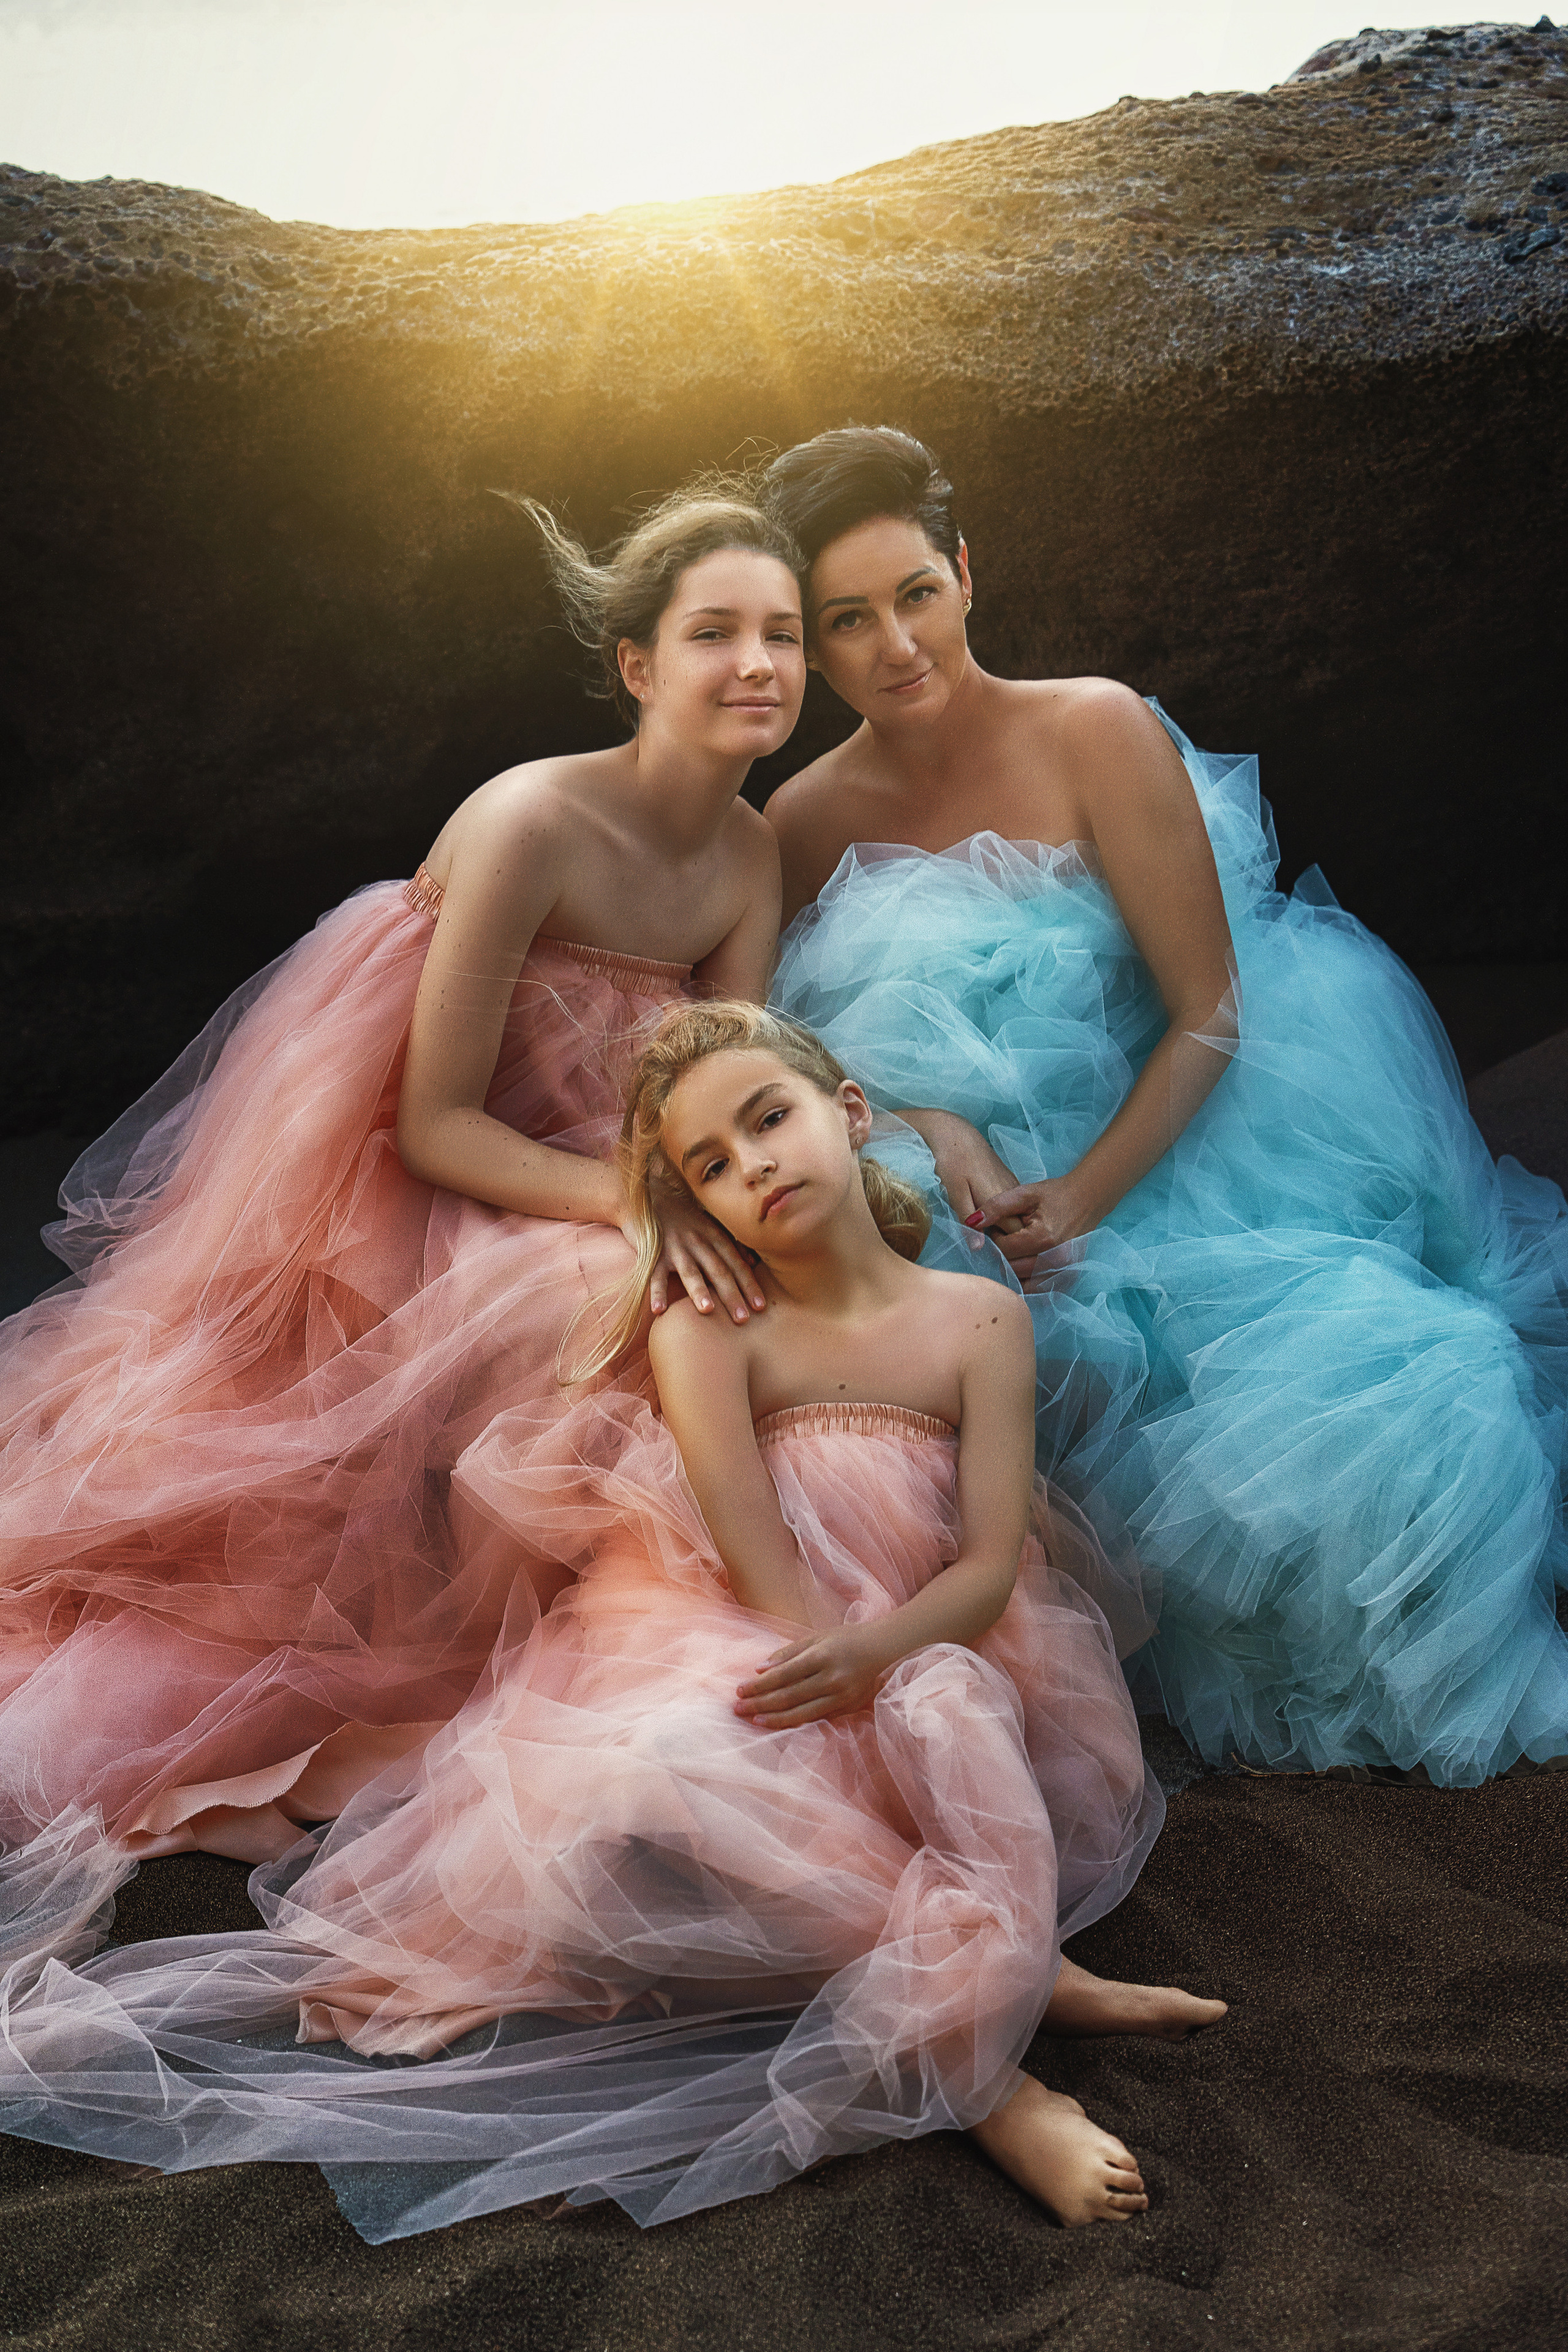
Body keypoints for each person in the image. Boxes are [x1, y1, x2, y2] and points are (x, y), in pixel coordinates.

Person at [0, 1004, 1221, 2237]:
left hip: (925, 1634)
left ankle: (988, 1977)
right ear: (699, 1210)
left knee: (941, 1721)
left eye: (768, 1119)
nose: (753, 1164)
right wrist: (831, 1675)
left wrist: (887, 1659)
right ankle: (992, 2065)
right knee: (644, 1794)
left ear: (847, 1113)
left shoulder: (977, 1321)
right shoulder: (710, 1333)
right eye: (711, 1166)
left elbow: (984, 1564)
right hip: (743, 1626)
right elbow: (756, 1569)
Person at [0, 478, 802, 1874]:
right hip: (413, 1190)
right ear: (637, 664)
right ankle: (616, 1688)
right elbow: (435, 1124)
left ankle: (721, 1669)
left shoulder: (749, 851)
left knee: (792, 1302)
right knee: (638, 1319)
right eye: (712, 633)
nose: (756, 666)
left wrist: (730, 1193)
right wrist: (641, 1213)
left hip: (600, 1174)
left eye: (782, 635)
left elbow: (716, 1083)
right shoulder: (529, 822)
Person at [763, 425, 1568, 1788]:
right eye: (845, 623)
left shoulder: (1092, 727)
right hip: (962, 1194)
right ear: (810, 648)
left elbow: (1205, 1007)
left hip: (1190, 1146)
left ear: (964, 574)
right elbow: (766, 1055)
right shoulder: (800, 818)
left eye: (913, 594)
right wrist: (927, 1123)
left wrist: (1083, 1197)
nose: (893, 645)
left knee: (1408, 1412)